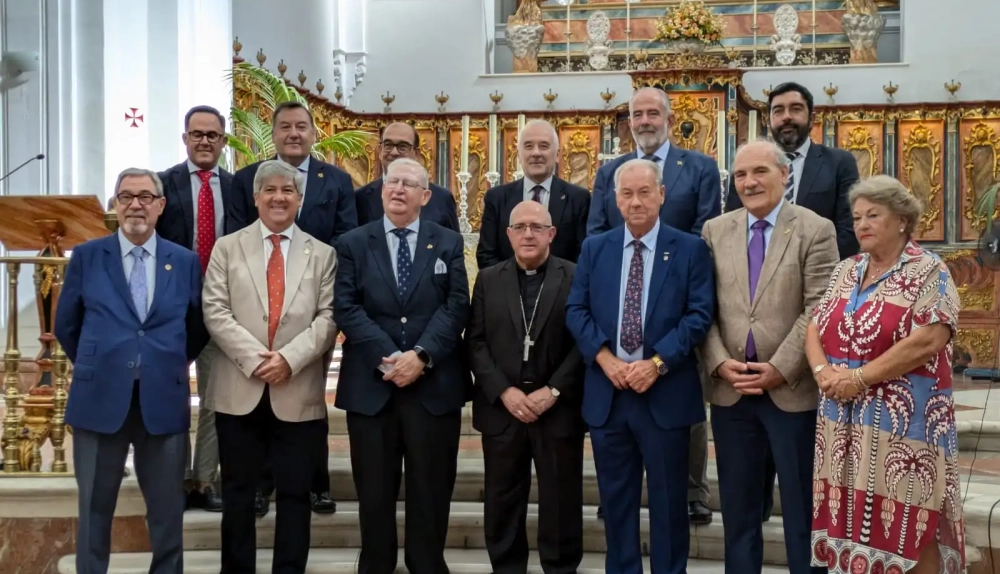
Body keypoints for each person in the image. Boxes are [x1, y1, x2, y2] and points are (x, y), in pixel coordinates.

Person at [55, 167, 208, 574]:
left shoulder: (185, 261)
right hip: (99, 399)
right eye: (125, 196)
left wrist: (164, 363)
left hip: (162, 399)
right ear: (115, 206)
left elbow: (197, 328)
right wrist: (100, 364)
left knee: (167, 511)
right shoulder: (88, 256)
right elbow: (66, 325)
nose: (135, 204)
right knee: (94, 508)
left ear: (160, 206)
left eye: (144, 196)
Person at [809, 175, 965, 574]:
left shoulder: (929, 270)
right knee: (851, 524)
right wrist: (823, 371)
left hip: (905, 430)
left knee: (911, 524)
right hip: (842, 425)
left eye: (873, 215)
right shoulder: (847, 268)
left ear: (901, 219)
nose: (861, 224)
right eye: (857, 216)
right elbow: (815, 324)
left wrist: (857, 379)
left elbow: (927, 339)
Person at [566, 158, 715, 574]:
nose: (635, 202)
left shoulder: (689, 248)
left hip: (664, 394)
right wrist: (605, 358)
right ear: (615, 199)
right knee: (616, 504)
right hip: (609, 395)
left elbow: (699, 315)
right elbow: (576, 310)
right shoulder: (596, 249)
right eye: (627, 193)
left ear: (662, 195)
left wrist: (657, 363)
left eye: (644, 192)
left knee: (670, 504)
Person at [701, 141, 839, 574]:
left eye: (759, 171)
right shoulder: (715, 230)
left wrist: (780, 368)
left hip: (792, 393)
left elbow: (820, 307)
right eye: (740, 175)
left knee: (801, 513)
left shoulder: (816, 229)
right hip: (732, 393)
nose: (749, 182)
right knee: (739, 515)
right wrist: (720, 361)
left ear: (784, 175)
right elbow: (702, 308)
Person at [727, 81, 861, 523]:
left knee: (804, 502)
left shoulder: (837, 164)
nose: (787, 116)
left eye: (795, 109)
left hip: (810, 326)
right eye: (779, 109)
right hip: (739, 370)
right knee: (744, 502)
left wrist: (806, 256)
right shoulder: (743, 181)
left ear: (810, 115)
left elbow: (848, 228)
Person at [588, 86, 720, 526]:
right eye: (637, 114)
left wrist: (673, 262)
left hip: (678, 290)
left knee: (684, 406)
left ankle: (692, 490)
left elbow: (707, 227)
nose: (644, 120)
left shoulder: (698, 166)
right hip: (621, 285)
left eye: (652, 113)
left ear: (667, 116)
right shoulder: (611, 172)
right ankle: (618, 492)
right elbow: (596, 230)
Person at [334, 157, 470, 574]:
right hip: (372, 388)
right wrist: (391, 358)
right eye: (392, 182)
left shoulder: (447, 242)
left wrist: (422, 356)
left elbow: (456, 305)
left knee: (431, 489)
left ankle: (427, 564)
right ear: (381, 189)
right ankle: (376, 565)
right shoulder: (354, 243)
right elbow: (346, 306)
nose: (398, 190)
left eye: (409, 184)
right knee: (374, 492)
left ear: (425, 197)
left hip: (433, 389)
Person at [202, 160, 338, 574]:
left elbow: (329, 317)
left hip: (296, 390)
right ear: (256, 197)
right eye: (270, 190)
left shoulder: (323, 253)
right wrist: (258, 360)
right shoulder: (227, 247)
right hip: (239, 388)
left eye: (288, 190)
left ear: (299, 199)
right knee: (239, 493)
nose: (279, 197)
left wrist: (289, 360)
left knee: (296, 495)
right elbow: (215, 310)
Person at [228, 100, 353, 515]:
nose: (294, 133)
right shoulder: (247, 178)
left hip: (312, 306)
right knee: (260, 406)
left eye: (302, 126)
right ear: (274, 132)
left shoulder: (335, 180)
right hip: (256, 310)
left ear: (314, 132)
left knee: (308, 404)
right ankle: (263, 484)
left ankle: (315, 483)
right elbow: (236, 240)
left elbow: (345, 239)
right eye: (285, 127)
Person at [469, 200, 585, 574]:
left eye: (537, 227)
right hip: (503, 408)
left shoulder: (574, 275)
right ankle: (506, 566)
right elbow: (475, 341)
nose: (528, 234)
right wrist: (504, 391)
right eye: (520, 227)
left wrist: (553, 391)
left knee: (560, 497)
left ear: (551, 234)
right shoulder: (488, 279)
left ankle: (561, 566)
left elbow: (584, 342)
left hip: (557, 407)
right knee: (502, 498)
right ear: (508, 235)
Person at [156, 104, 233, 512]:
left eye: (212, 134)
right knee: (168, 398)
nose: (205, 141)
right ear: (184, 138)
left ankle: (205, 480)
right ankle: (173, 481)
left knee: (214, 398)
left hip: (220, 307)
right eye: (197, 134)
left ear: (223, 140)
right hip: (169, 311)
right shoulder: (163, 185)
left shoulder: (237, 187)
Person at [477, 119, 590, 269]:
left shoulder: (578, 199)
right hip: (507, 289)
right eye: (529, 146)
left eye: (544, 146)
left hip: (563, 289)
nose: (536, 153)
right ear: (518, 155)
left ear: (557, 155)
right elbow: (486, 256)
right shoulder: (496, 199)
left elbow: (582, 255)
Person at [356, 121, 460, 231]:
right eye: (388, 145)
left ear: (417, 153)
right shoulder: (360, 198)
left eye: (403, 146)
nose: (394, 152)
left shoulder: (442, 198)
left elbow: (452, 244)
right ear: (380, 151)